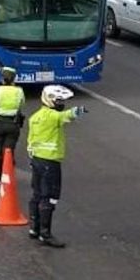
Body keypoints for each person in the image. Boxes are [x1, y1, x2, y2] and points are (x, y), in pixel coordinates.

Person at [26, 85, 86, 248]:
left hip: (37, 159)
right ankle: (45, 234)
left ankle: (34, 228)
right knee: (49, 197)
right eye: (59, 101)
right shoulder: (53, 116)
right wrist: (80, 110)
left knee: (37, 194)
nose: (62, 104)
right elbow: (68, 116)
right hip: (50, 162)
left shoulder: (35, 117)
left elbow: (30, 140)